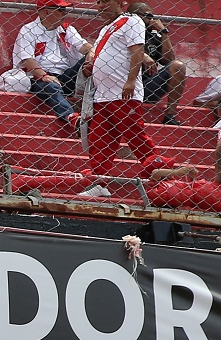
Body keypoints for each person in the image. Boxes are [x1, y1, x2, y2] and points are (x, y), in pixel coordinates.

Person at [78, 0, 171, 198]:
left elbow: (136, 50)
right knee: (100, 139)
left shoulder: (131, 21)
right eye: (98, 2)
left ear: (121, 3)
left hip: (123, 93)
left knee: (136, 136)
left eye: (105, 2)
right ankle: (100, 181)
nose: (100, 6)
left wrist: (130, 81)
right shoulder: (106, 29)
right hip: (102, 95)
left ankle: (163, 176)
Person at [10, 0, 90, 128]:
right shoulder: (29, 30)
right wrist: (44, 76)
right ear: (46, 11)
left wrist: (92, 52)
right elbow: (27, 59)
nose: (65, 13)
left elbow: (82, 45)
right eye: (61, 10)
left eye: (65, 10)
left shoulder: (66, 29)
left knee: (91, 58)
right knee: (51, 87)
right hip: (39, 78)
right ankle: (71, 117)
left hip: (65, 76)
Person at [126, 3, 184, 122]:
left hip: (146, 87)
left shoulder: (153, 36)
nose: (152, 20)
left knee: (178, 66)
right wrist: (143, 55)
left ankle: (170, 116)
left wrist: (164, 32)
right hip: (124, 86)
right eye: (148, 16)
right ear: (136, 16)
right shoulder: (124, 30)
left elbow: (169, 60)